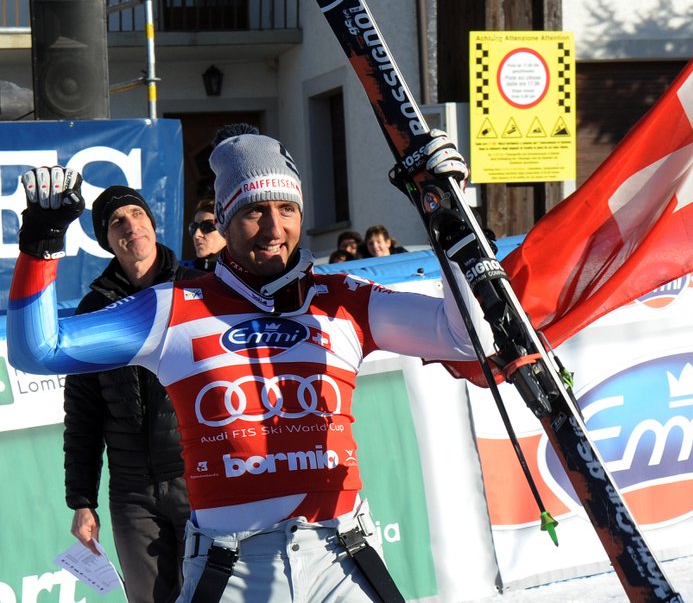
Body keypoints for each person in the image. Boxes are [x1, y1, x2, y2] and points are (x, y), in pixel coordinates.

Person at [7, 127, 491, 602]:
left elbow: (469, 338)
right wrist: (41, 242)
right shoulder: (173, 307)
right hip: (232, 568)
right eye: (254, 211)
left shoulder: (340, 299)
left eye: (287, 209)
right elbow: (39, 350)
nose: (274, 229)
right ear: (223, 220)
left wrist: (452, 221)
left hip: (342, 556)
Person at [64, 185, 202, 603]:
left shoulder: (198, 290)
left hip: (200, 477)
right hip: (132, 494)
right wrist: (82, 501)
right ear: (106, 239)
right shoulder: (93, 310)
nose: (130, 226)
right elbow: (83, 415)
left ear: (153, 223)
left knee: (216, 595)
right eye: (116, 222)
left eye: (136, 214)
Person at [185, 197, 226, 273]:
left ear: (227, 232)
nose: (196, 235)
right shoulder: (179, 272)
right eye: (193, 227)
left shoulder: (242, 274)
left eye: (207, 226)